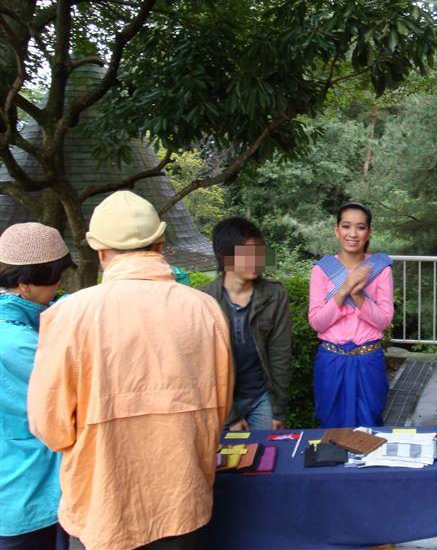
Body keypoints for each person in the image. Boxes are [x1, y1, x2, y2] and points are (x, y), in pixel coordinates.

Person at [28, 191, 233, 550]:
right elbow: (220, 409)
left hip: (102, 507)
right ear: (160, 244)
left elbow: (51, 428)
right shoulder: (204, 309)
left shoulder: (69, 315)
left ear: (100, 252)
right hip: (180, 501)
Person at [0, 223, 74, 550]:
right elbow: (66, 406)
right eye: (56, 280)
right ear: (25, 283)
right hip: (25, 488)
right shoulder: (18, 345)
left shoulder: (18, 326)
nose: (59, 286)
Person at [308, 202, 394, 428]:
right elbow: (317, 323)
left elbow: (384, 321)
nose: (353, 234)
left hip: (368, 359)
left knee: (370, 426)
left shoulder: (380, 269)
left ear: (369, 232)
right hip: (332, 359)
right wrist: (345, 288)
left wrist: (357, 294)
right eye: (346, 226)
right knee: (330, 427)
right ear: (336, 230)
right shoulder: (321, 270)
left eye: (360, 227)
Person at [203, 217, 292, 431]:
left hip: (262, 397)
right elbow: (203, 366)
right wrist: (230, 416)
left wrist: (278, 410)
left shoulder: (274, 295)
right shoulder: (204, 299)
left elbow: (280, 354)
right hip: (222, 402)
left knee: (268, 450)